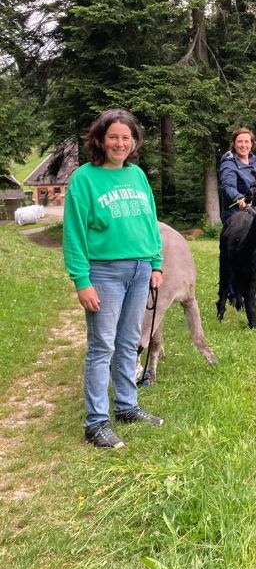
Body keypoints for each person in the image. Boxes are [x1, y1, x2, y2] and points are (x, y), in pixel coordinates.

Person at [63, 109, 164, 449]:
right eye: (113, 137)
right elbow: (74, 234)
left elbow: (149, 221)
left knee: (128, 341)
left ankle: (127, 406)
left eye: (126, 137)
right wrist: (82, 281)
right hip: (104, 273)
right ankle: (96, 423)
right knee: (102, 346)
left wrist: (156, 263)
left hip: (140, 270)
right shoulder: (84, 179)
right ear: (100, 140)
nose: (120, 143)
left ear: (134, 142)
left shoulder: (137, 176)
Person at [218, 127, 256, 223]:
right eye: (240, 141)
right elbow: (229, 186)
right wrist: (239, 198)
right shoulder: (228, 164)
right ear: (234, 144)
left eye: (246, 141)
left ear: (251, 144)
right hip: (236, 216)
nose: (243, 145)